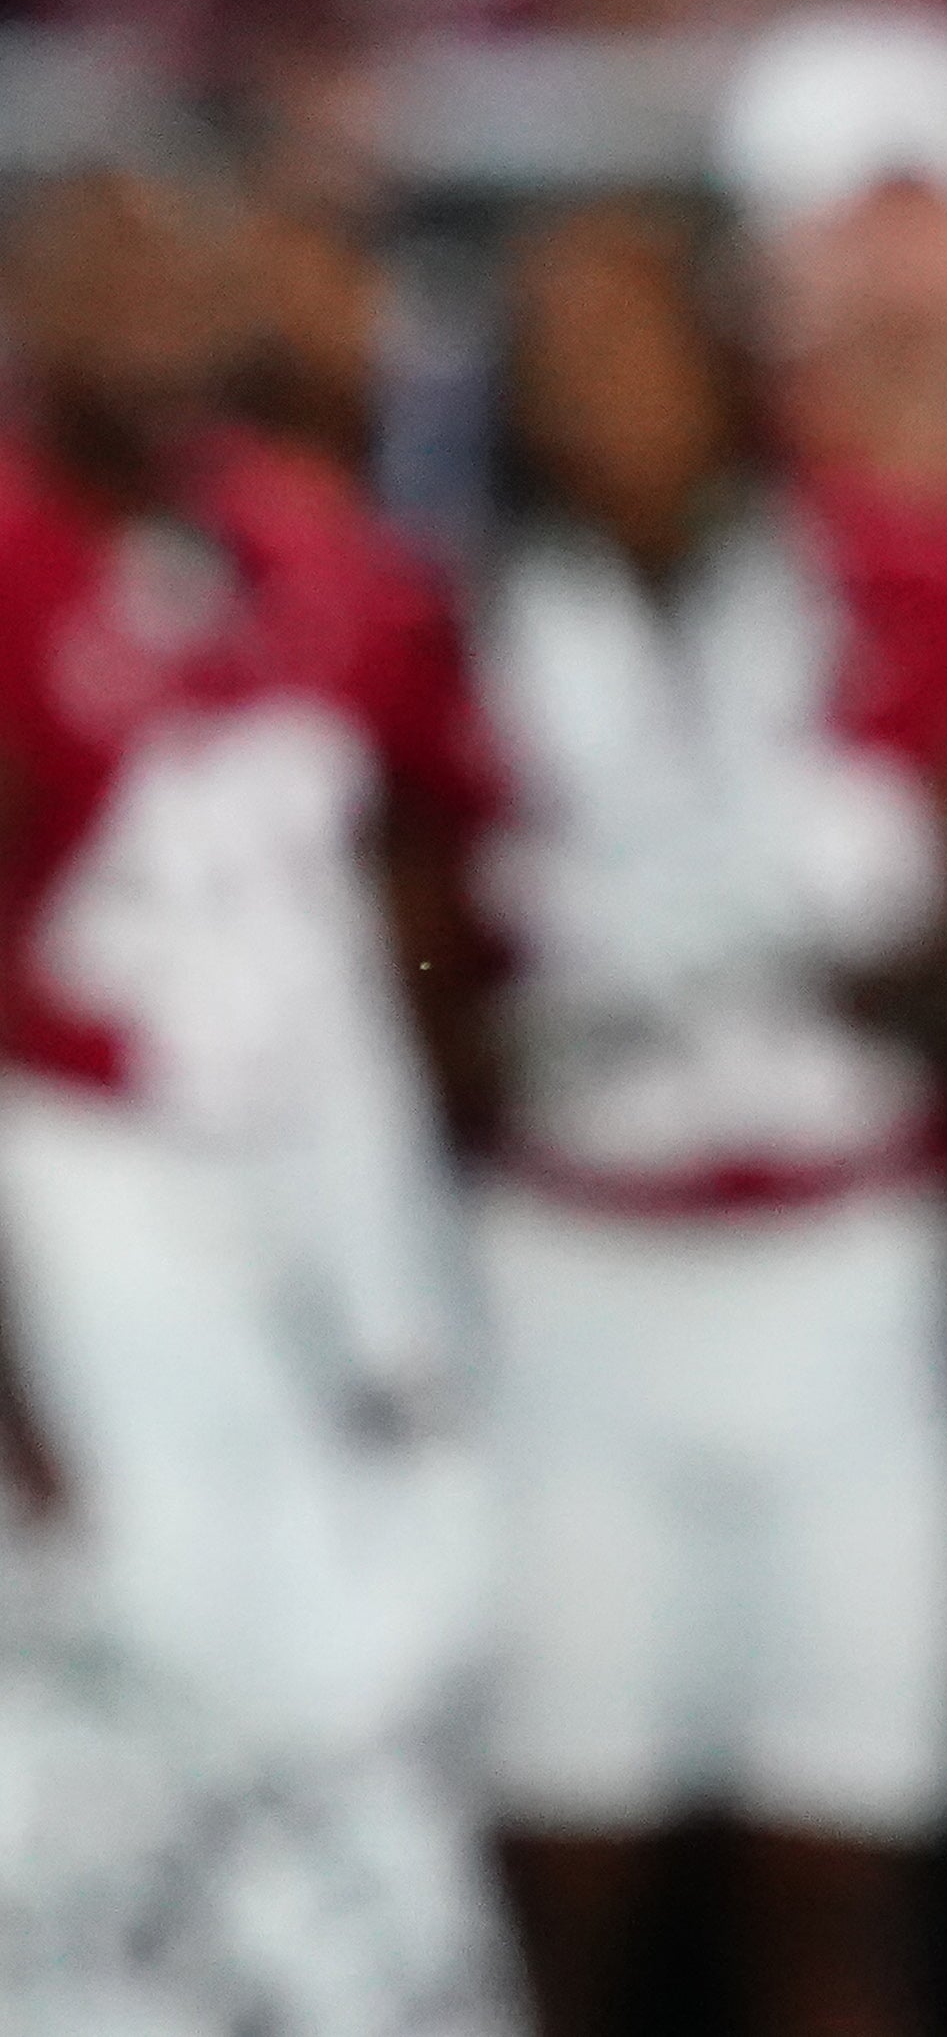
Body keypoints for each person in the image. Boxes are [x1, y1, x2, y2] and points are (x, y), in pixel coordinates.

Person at [468, 197, 947, 2037]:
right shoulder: (453, 623)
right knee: (563, 1855)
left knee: (838, 1858)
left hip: (842, 1268)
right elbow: (411, 1004)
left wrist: (876, 930)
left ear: (717, 366)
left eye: (626, 343)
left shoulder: (877, 578)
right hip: (575, 1275)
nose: (590, 391)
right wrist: (561, 959)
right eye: (550, 360)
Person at [0, 165, 515, 2036]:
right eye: (104, 294)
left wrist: (414, 1225)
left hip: (317, 1195)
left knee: (375, 1705)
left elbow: (430, 886)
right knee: (112, 1756)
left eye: (177, 293)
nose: (152, 341)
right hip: (82, 1195)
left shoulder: (306, 545)